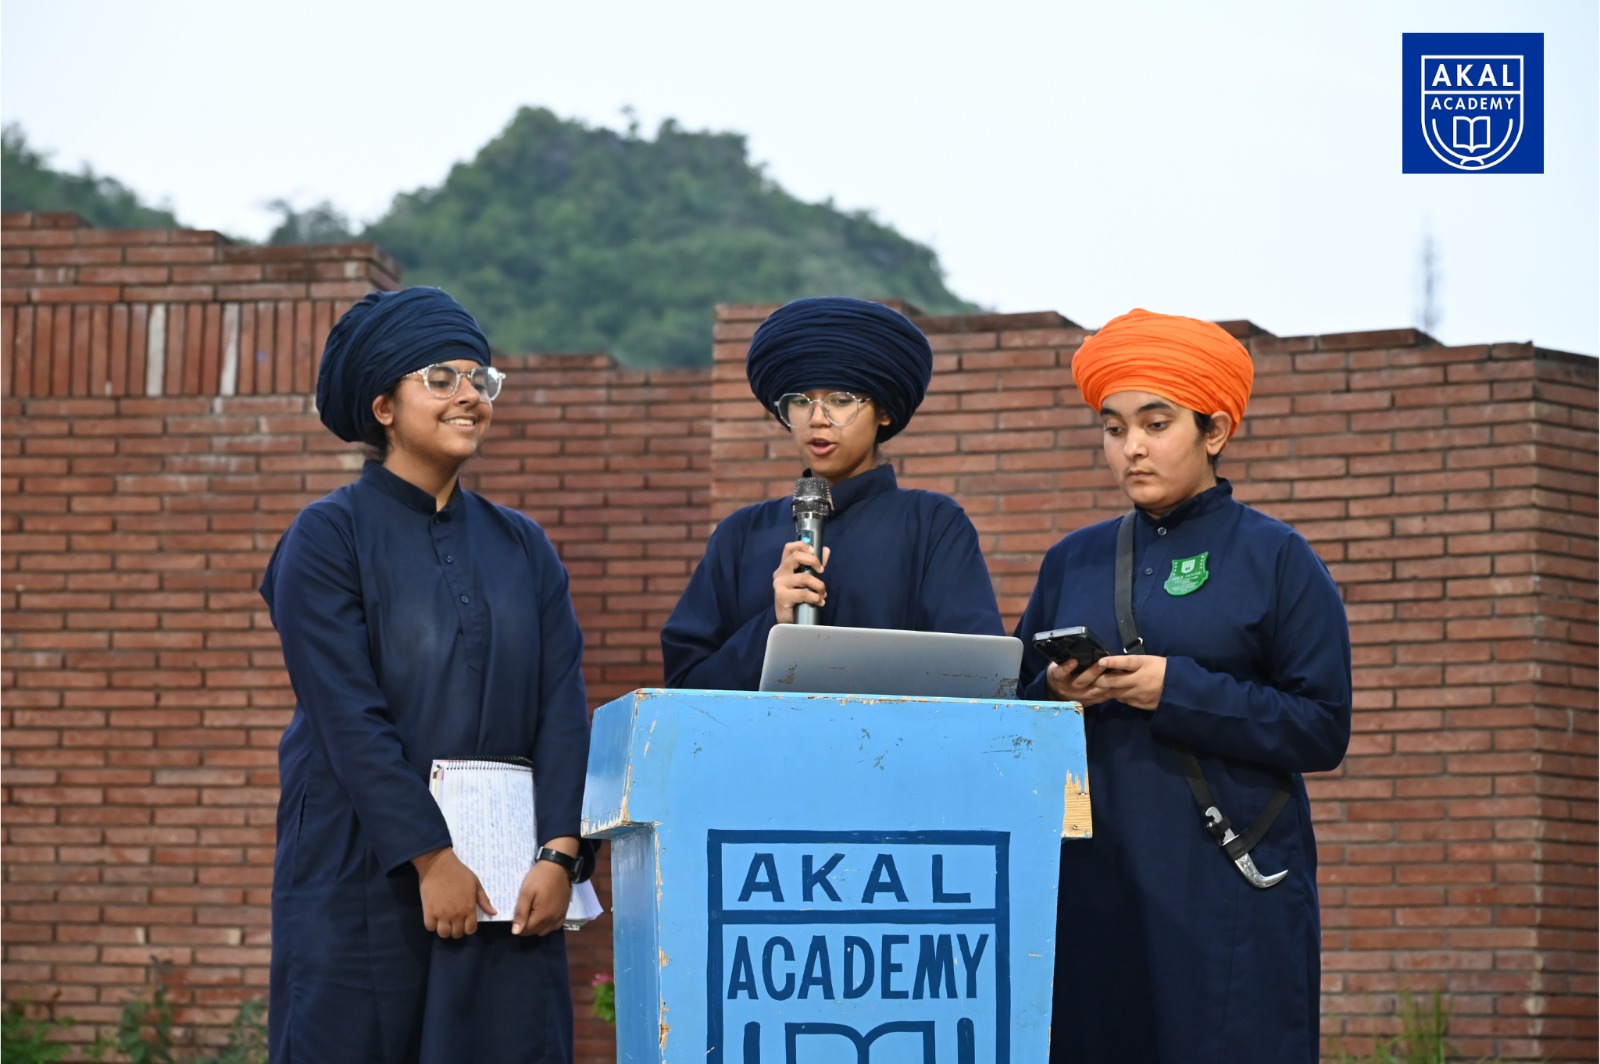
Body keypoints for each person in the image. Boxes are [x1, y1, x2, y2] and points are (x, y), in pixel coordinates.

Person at [260, 287, 592, 1063]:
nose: (469, 395)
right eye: (441, 378)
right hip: (361, 875)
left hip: (511, 880)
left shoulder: (524, 546)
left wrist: (560, 854)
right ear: (382, 405)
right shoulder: (327, 537)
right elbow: (347, 716)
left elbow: (561, 706)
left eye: (480, 379)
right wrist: (430, 858)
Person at [1014, 308, 1352, 1064]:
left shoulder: (1278, 559)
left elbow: (1321, 726)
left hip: (1227, 883)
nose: (1131, 447)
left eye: (1156, 422)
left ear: (1216, 431)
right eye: (1112, 427)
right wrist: (1055, 695)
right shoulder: (1074, 560)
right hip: (1092, 885)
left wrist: (1176, 688)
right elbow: (1011, 713)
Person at [661, 296, 1003, 689]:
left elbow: (980, 677)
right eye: (799, 402)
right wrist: (774, 625)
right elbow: (684, 688)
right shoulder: (740, 535)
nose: (817, 419)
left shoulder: (931, 524)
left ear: (885, 411)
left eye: (841, 401)